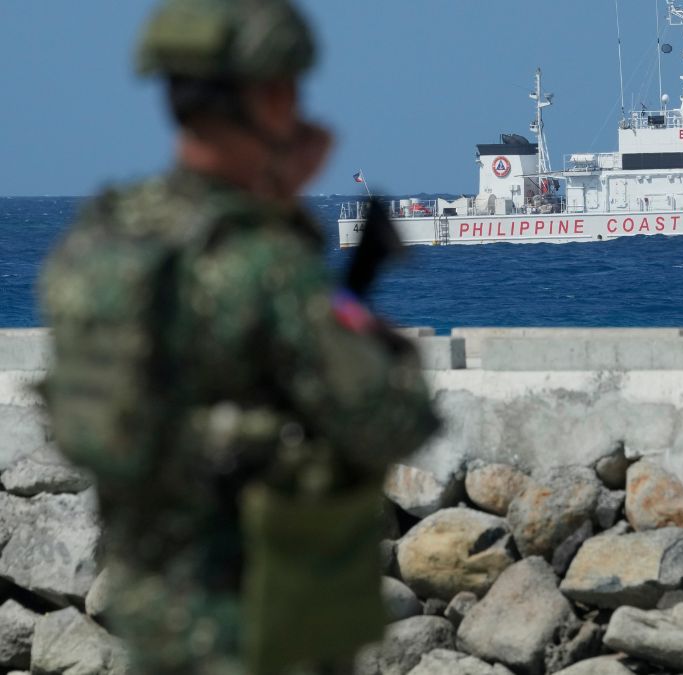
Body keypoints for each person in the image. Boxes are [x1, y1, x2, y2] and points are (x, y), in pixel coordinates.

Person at [39, 1, 438, 673]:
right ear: (270, 96)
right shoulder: (263, 263)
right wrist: (291, 223)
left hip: (154, 615)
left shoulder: (98, 238)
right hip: (263, 621)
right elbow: (392, 418)